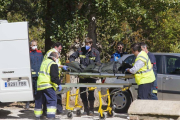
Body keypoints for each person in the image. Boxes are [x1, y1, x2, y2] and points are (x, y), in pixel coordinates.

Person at [69, 37, 100, 115]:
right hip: (82, 75)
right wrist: (73, 63)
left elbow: (98, 63)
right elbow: (72, 57)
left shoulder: (96, 52)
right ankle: (86, 108)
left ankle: (91, 109)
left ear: (91, 44)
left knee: (91, 92)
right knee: (82, 92)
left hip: (91, 76)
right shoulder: (80, 50)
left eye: (88, 44)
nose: (86, 46)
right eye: (85, 44)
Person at [34, 52, 62, 120]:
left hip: (40, 85)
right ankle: (51, 117)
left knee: (39, 101)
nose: (57, 59)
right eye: (57, 58)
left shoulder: (44, 62)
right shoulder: (53, 64)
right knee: (52, 100)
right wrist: (59, 84)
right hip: (48, 85)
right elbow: (54, 78)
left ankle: (38, 116)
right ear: (54, 57)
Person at [43, 42, 68, 115]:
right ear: (56, 47)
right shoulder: (53, 53)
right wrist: (62, 66)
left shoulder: (51, 52)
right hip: (51, 76)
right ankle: (52, 111)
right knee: (53, 95)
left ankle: (58, 110)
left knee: (55, 94)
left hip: (52, 75)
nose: (60, 51)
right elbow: (54, 64)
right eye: (60, 49)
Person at [25, 40, 43, 110]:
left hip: (38, 75)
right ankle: (27, 103)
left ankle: (37, 103)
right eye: (33, 45)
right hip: (30, 75)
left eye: (36, 45)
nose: (35, 46)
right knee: (29, 89)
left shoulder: (39, 53)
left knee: (37, 90)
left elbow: (42, 62)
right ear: (30, 46)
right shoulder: (28, 53)